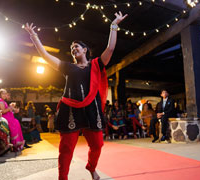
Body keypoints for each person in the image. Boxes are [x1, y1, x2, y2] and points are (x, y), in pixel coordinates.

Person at [23, 11, 126, 180]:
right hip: (70, 109)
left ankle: (91, 168)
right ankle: (62, 178)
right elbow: (45, 56)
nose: (73, 49)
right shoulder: (67, 67)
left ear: (85, 50)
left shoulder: (96, 64)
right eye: (71, 48)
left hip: (91, 110)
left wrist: (113, 26)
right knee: (66, 149)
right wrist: (34, 37)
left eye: (76, 46)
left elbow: (111, 48)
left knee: (98, 145)